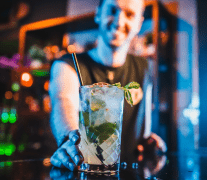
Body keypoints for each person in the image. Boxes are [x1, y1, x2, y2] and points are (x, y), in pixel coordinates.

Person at [49, 0, 167, 171]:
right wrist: (69, 139)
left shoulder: (145, 67)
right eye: (112, 10)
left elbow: (144, 127)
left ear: (139, 23)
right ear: (98, 14)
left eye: (130, 14)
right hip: (88, 170)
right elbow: (63, 102)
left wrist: (150, 141)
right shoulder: (67, 65)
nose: (119, 21)